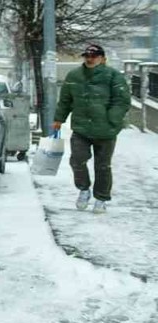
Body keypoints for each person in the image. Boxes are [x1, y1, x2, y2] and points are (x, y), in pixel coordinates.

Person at [52, 43, 131, 214]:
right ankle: (84, 189)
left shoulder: (113, 76)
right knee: (77, 160)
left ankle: (101, 198)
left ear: (102, 59)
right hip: (81, 128)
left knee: (103, 166)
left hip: (106, 130)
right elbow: (65, 100)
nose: (90, 59)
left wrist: (112, 119)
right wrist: (59, 119)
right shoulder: (74, 76)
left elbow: (122, 100)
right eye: (87, 56)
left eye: (94, 56)